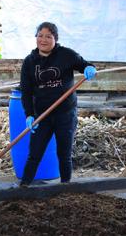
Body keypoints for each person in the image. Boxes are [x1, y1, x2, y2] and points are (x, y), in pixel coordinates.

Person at [19, 21, 96, 186]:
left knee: (64, 153)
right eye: (40, 36)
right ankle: (24, 186)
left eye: (48, 36)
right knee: (35, 153)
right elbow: (26, 92)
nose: (43, 40)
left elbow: (85, 65)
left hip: (65, 114)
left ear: (55, 39)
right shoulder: (29, 62)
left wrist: (90, 69)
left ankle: (65, 187)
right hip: (42, 114)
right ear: (36, 38)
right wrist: (30, 115)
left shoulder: (66, 55)